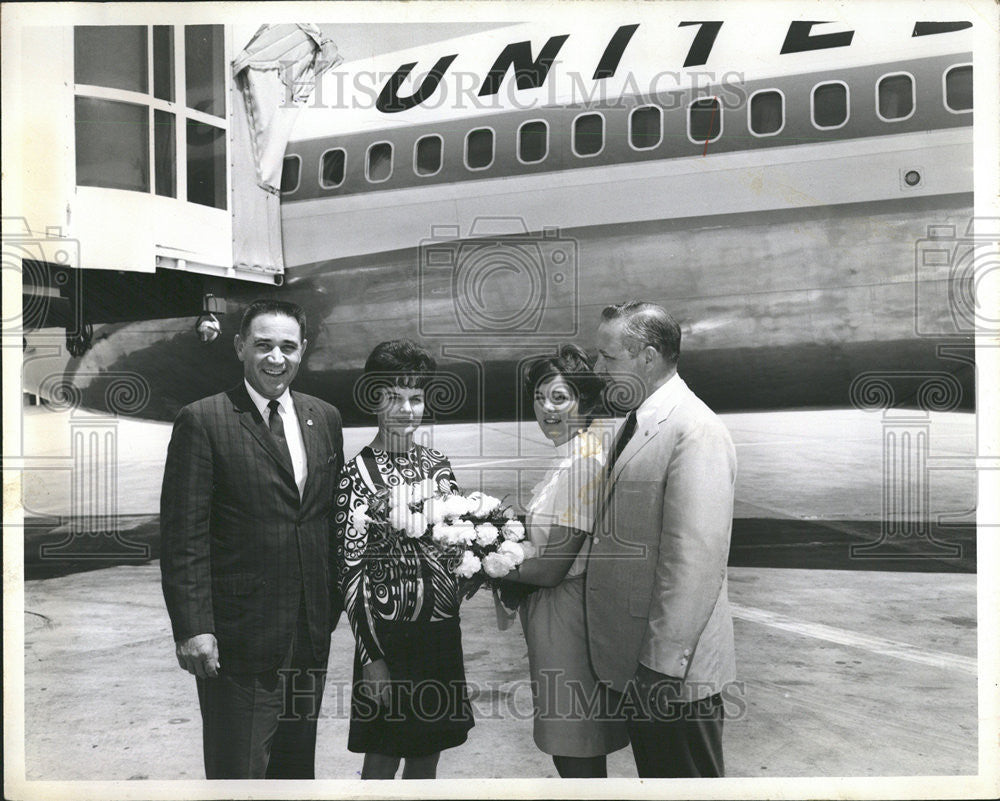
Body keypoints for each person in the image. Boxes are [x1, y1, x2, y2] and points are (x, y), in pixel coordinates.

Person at [159, 299, 344, 779]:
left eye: (287, 346)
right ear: (240, 346)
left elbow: (326, 520)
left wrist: (332, 605)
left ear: (303, 350)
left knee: (296, 773)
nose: (275, 358)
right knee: (237, 774)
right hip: (238, 640)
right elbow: (184, 536)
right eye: (263, 345)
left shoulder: (323, 417)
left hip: (308, 633)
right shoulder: (204, 420)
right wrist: (193, 627)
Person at [586, 300, 737, 778]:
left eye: (608, 358)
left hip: (671, 676)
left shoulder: (694, 430)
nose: (597, 369)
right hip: (642, 666)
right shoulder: (642, 421)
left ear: (648, 356)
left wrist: (662, 666)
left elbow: (693, 562)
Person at [333, 339, 474, 779]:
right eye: (393, 397)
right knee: (382, 755)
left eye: (415, 398)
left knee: (428, 754)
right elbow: (349, 577)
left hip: (441, 635)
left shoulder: (439, 465)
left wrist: (478, 571)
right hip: (389, 639)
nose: (406, 409)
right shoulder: (355, 476)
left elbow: (458, 544)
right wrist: (371, 660)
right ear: (372, 399)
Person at [499, 344, 629, 777]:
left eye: (559, 398)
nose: (546, 409)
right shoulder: (572, 457)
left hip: (567, 619)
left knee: (576, 745)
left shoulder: (584, 466)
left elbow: (554, 567)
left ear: (585, 400)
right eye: (539, 398)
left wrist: (481, 563)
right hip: (554, 617)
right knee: (570, 743)